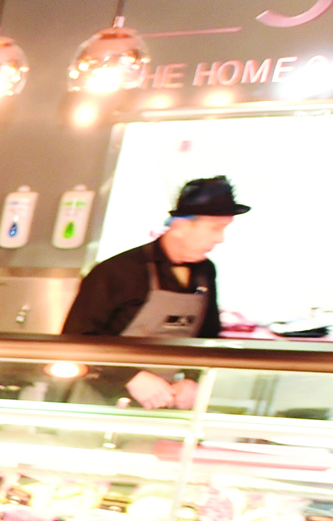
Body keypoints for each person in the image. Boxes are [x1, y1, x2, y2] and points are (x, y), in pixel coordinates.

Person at [60, 175, 248, 409]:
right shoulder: (118, 270)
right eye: (215, 228)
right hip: (97, 401)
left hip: (163, 404)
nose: (220, 238)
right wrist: (130, 377)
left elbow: (207, 335)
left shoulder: (205, 271)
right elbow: (77, 340)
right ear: (180, 226)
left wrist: (191, 379)